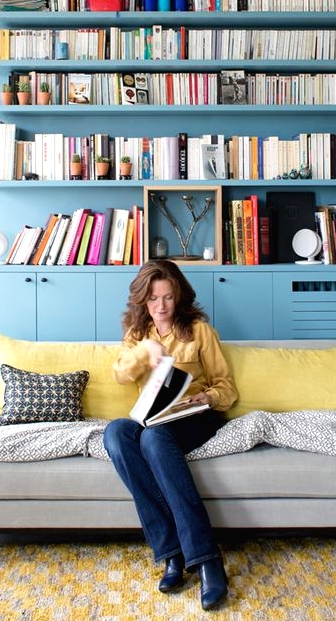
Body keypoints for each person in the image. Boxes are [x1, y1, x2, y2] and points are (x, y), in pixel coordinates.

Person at [103, 259, 238, 611]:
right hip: (154, 419)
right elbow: (120, 374)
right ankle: (172, 552)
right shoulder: (137, 336)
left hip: (196, 416)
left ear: (178, 297)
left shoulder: (199, 329)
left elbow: (227, 386)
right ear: (142, 301)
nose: (161, 306)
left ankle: (206, 559)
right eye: (153, 299)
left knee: (154, 439)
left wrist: (207, 396)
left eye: (167, 297)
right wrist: (146, 352)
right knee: (116, 432)